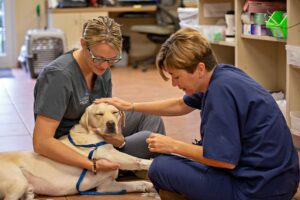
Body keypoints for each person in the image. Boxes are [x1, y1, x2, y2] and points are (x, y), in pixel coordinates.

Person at [96, 27, 299, 200]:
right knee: (182, 159)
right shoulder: (223, 75)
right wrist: (131, 106)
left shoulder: (220, 93)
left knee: (160, 167)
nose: (175, 84)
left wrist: (173, 145)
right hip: (279, 179)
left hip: (258, 190)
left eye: (177, 77)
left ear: (200, 68)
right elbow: (180, 105)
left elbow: (223, 160)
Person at [33, 16, 165, 175]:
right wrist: (91, 165)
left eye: (112, 59)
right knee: (149, 141)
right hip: (74, 142)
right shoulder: (59, 76)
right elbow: (41, 142)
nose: (104, 66)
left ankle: (129, 162)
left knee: (151, 118)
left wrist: (118, 137)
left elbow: (105, 114)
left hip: (96, 133)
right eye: (99, 58)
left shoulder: (102, 70)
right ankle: (131, 164)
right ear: (83, 44)